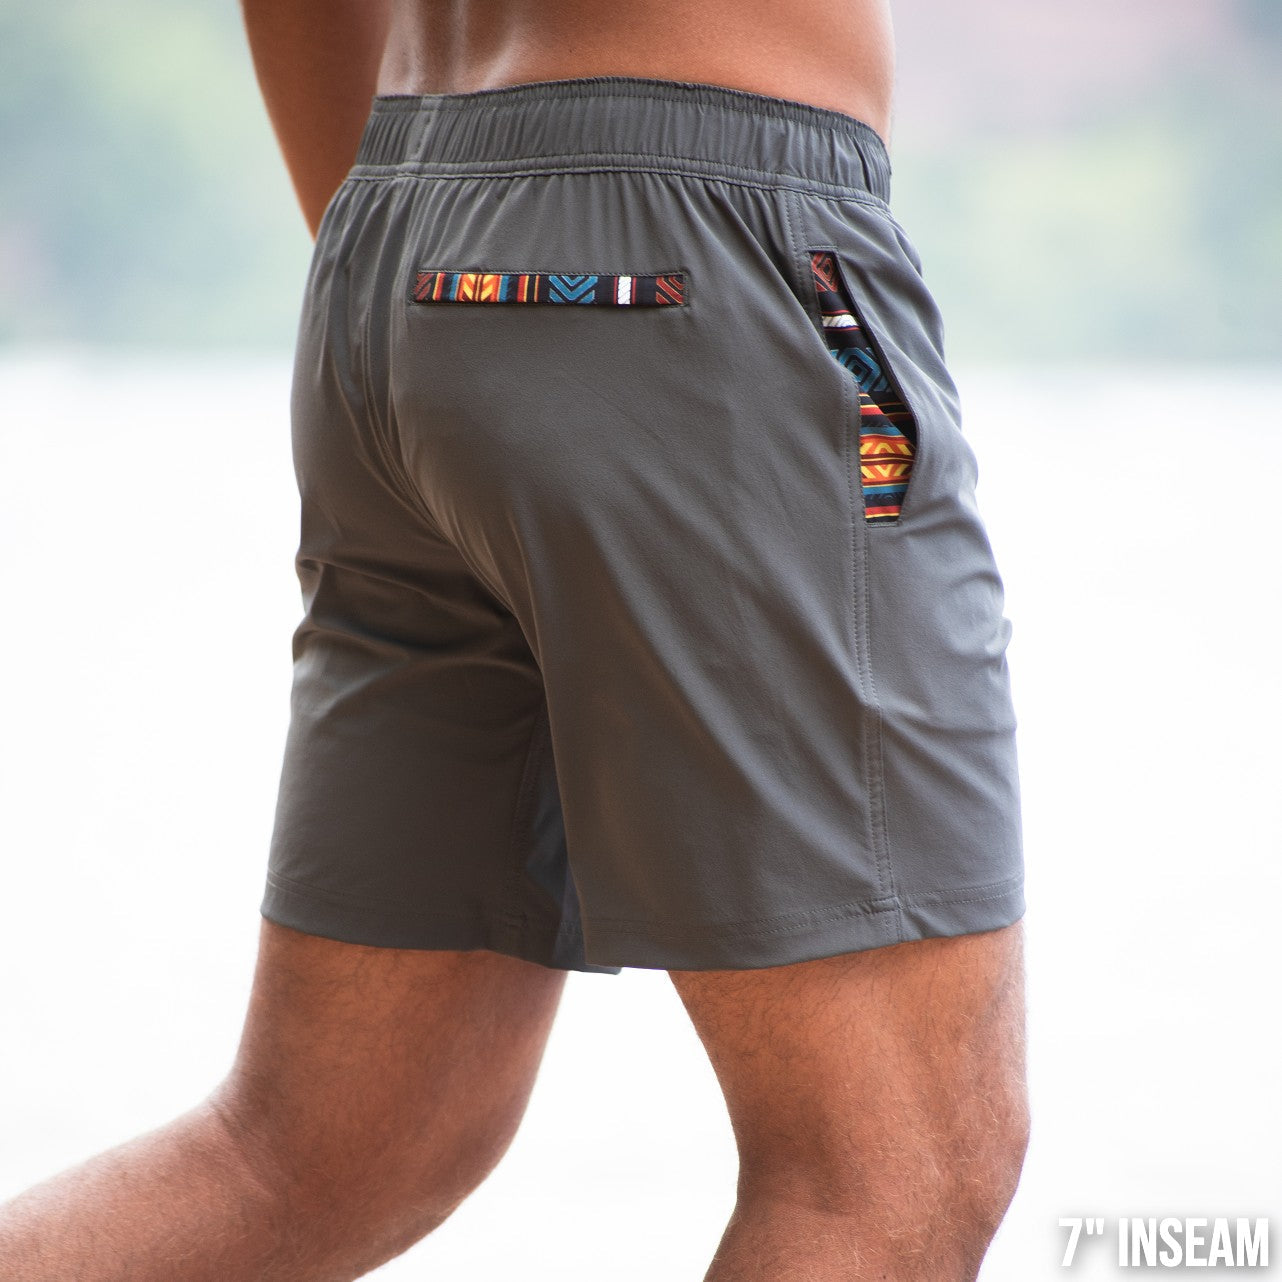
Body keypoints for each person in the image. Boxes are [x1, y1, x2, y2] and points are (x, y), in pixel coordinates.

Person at [0, 1, 1030, 1278]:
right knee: (892, 1171)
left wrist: (453, 283)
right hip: (703, 246)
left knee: (316, 1155)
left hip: (399, 242)